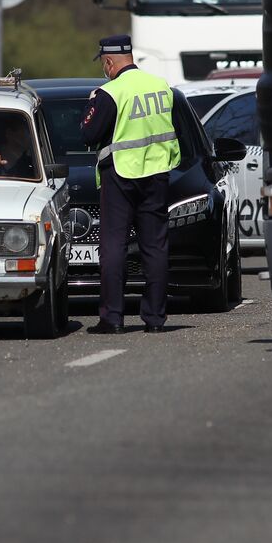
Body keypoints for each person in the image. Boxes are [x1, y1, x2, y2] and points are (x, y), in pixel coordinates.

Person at [79, 34, 181, 335]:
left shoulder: (111, 92)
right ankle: (155, 319)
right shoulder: (161, 87)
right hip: (158, 172)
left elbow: (88, 135)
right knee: (155, 246)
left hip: (121, 175)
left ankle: (112, 318)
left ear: (109, 61)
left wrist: (91, 107)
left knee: (113, 246)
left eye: (103, 65)